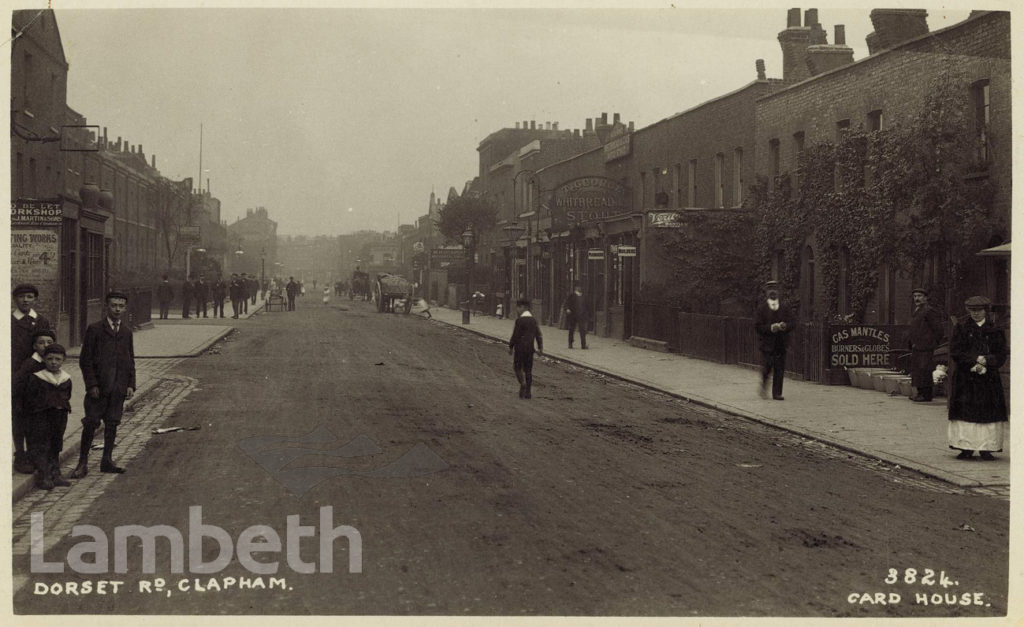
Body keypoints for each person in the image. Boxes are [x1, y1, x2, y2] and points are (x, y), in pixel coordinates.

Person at [70, 290, 136, 478]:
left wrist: (131, 384)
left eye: (121, 306)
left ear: (125, 308)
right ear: (106, 306)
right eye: (114, 305)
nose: (117, 309)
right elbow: (86, 360)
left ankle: (106, 460)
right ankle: (82, 463)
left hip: (118, 388)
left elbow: (130, 359)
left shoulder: (126, 332)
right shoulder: (95, 329)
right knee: (91, 423)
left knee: (112, 423)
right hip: (98, 389)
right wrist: (91, 385)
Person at [947, 296, 1007, 461]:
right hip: (966, 378)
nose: (976, 314)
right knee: (966, 412)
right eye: (972, 311)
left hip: (989, 379)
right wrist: (973, 363)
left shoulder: (995, 329)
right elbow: (956, 351)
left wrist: (987, 361)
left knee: (987, 412)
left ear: (985, 311)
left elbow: (1001, 353)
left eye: (979, 310)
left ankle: (987, 448)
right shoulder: (961, 328)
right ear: (968, 311)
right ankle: (965, 448)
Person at [11, 283, 52, 474]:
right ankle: (20, 455)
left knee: (36, 416)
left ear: (35, 299)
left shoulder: (41, 321)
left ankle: (35, 454)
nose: (25, 300)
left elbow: (49, 346)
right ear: (15, 299)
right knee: (18, 415)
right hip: (16, 374)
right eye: (21, 297)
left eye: (29, 297)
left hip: (37, 373)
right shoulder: (9, 321)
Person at [23, 344, 73, 490]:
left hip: (59, 416)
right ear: (44, 359)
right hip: (42, 417)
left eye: (58, 359)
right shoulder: (37, 378)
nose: (53, 362)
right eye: (50, 358)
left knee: (56, 443)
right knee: (43, 445)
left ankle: (55, 474)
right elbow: (31, 398)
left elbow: (67, 395)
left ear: (63, 360)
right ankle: (44, 476)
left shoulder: (66, 379)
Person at [12, 328, 57, 474]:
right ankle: (21, 457)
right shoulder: (30, 364)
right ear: (34, 346)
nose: (45, 345)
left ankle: (39, 459)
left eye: (49, 342)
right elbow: (17, 384)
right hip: (24, 404)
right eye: (41, 342)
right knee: (24, 430)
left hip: (40, 405)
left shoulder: (50, 362)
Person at [754, 280, 795, 401]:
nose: (773, 292)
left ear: (779, 292)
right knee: (767, 367)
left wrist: (785, 326)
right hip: (767, 344)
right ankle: (763, 386)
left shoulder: (785, 307)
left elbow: (793, 322)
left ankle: (777, 393)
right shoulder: (761, 309)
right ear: (766, 292)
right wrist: (771, 328)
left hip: (781, 344)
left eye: (775, 289)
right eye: (770, 289)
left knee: (779, 369)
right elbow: (757, 326)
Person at [907, 287, 945, 402]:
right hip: (917, 345)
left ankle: (926, 395)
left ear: (925, 298)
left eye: (919, 296)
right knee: (918, 370)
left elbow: (938, 329)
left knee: (925, 370)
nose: (916, 298)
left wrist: (932, 343)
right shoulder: (918, 310)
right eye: (915, 296)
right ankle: (920, 393)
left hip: (926, 346)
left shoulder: (929, 311)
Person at [509, 298, 543, 399]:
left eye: (518, 308)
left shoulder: (519, 321)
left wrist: (511, 346)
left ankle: (522, 383)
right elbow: (538, 335)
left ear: (523, 307)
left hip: (520, 348)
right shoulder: (533, 320)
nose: (517, 310)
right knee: (528, 370)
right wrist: (540, 348)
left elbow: (515, 335)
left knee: (517, 368)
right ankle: (528, 392)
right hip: (530, 349)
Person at [562, 282, 589, 349]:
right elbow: (566, 304)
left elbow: (587, 306)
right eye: (578, 287)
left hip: (581, 315)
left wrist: (586, 313)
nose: (579, 288)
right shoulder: (572, 295)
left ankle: (583, 345)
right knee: (571, 329)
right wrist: (567, 309)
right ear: (575, 288)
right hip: (573, 315)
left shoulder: (583, 296)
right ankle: (570, 344)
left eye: (580, 287)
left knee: (582, 330)